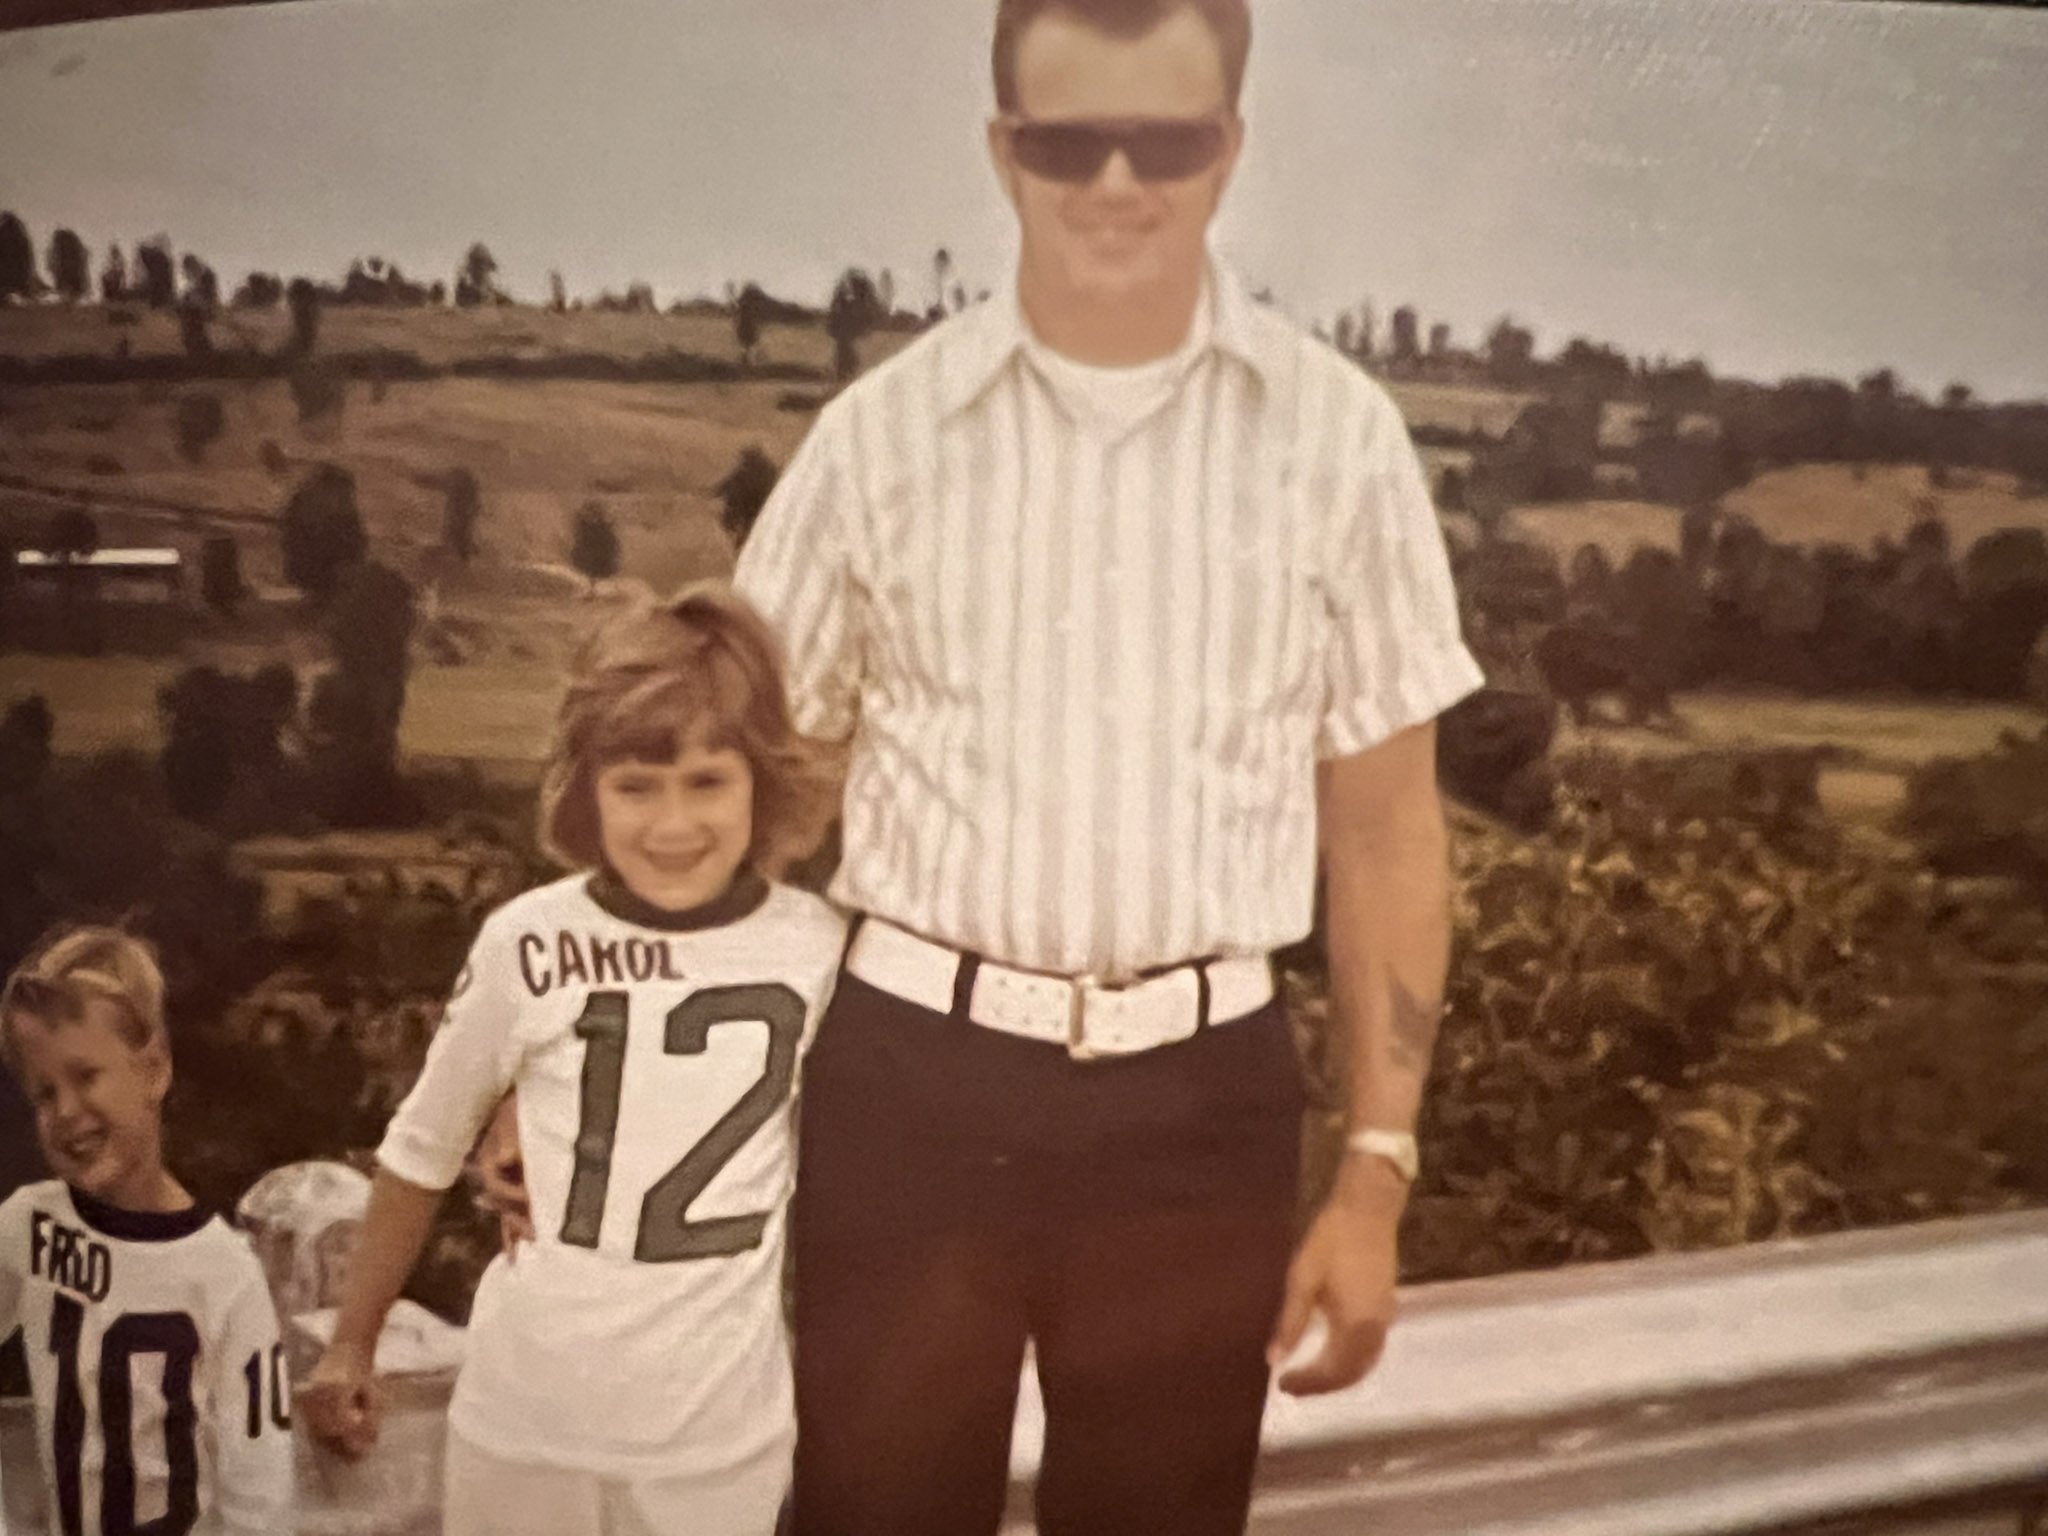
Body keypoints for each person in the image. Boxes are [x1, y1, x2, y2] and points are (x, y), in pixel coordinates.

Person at [733, 1, 1484, 1532]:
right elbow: (743, 798)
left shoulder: (1342, 443)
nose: (1120, 184)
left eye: (1169, 141)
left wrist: (1374, 1173)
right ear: (1004, 152)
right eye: (1072, 145)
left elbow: (1389, 837)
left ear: (1232, 149)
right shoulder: (876, 442)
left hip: (1201, 1115)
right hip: (913, 1089)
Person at [300, 584, 845, 1536]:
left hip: (716, 1436)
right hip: (527, 1425)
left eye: (708, 782)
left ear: (762, 780)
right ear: (586, 787)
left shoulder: (816, 947)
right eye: (637, 786)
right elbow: (423, 1147)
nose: (672, 824)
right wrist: (352, 1342)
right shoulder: (530, 939)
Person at [0, 927, 294, 1536]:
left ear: (154, 1070)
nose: (67, 1111)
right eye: (45, 1093)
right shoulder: (30, 1227)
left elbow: (260, 1490)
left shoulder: (225, 1272)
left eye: (86, 1075)